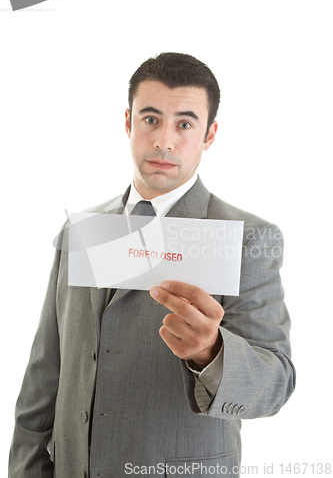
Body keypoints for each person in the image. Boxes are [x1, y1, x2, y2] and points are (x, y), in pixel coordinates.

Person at [8, 52, 295, 478]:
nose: (164, 140)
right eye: (150, 119)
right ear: (128, 123)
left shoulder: (247, 237)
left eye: (184, 124)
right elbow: (44, 375)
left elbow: (275, 383)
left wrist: (211, 352)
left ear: (209, 134)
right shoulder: (79, 232)